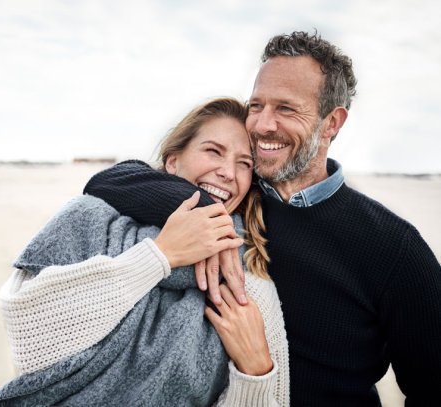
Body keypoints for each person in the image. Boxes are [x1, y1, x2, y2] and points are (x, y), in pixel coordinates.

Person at [84, 31, 441, 406]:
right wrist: (207, 211)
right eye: (256, 106)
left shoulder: (392, 246)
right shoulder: (236, 196)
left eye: (286, 109)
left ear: (332, 122)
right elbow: (110, 180)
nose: (262, 125)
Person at [0, 98, 290, 406]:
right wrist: (159, 256)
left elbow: (274, 399)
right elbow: (28, 339)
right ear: (173, 161)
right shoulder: (90, 216)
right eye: (213, 151)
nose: (228, 172)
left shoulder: (248, 277)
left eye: (245, 164)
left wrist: (255, 372)